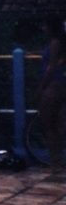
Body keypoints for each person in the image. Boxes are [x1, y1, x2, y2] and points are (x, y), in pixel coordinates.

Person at [38, 15, 66, 170]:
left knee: (49, 124)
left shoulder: (55, 43)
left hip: (53, 85)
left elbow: (51, 66)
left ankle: (56, 160)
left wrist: (42, 85)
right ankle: (58, 158)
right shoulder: (60, 43)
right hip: (60, 83)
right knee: (59, 123)